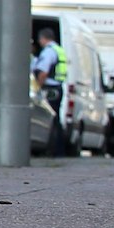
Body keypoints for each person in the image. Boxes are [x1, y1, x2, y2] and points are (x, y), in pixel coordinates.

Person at [32, 27, 69, 157]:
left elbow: (43, 72)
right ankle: (58, 150)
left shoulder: (48, 52)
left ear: (43, 39)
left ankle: (54, 150)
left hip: (50, 89)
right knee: (55, 119)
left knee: (48, 119)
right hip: (57, 88)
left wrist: (38, 87)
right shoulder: (58, 50)